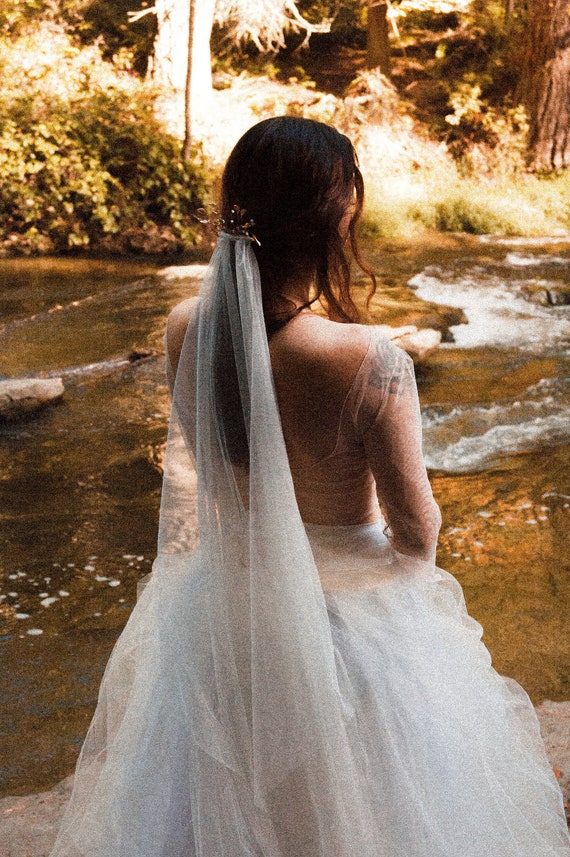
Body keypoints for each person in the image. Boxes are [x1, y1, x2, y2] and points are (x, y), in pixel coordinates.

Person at [50, 116, 570, 857]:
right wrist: (410, 633)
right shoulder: (366, 356)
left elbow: (217, 477)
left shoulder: (183, 328)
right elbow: (418, 530)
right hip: (347, 635)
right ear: (338, 216)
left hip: (227, 614)